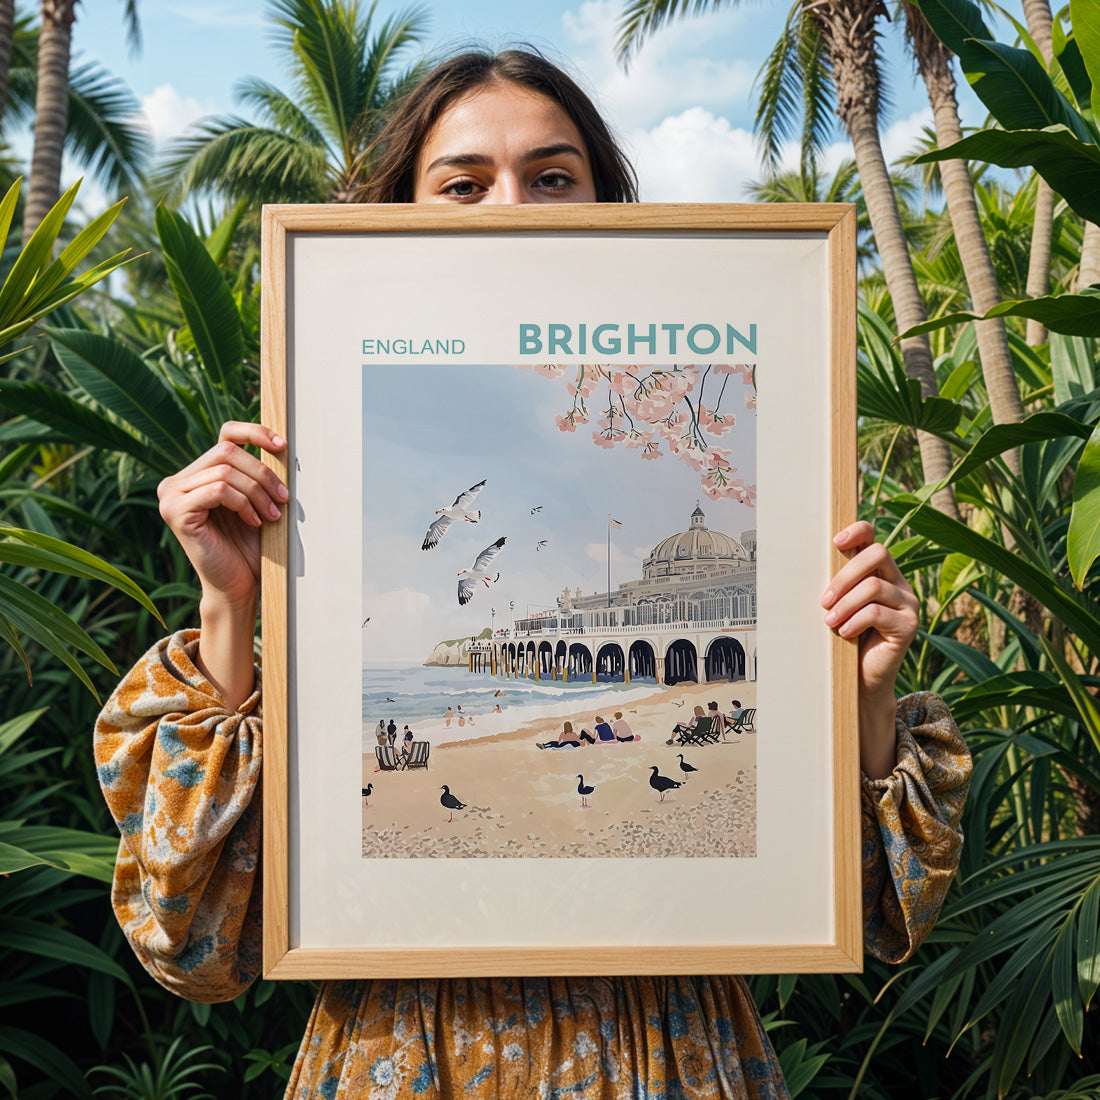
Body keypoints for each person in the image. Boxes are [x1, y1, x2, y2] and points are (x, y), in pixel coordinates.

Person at [95, 48, 970, 1099]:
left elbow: (883, 917)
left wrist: (858, 695)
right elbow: (192, 947)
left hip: (666, 1052)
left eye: (551, 176)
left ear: (609, 207)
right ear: (393, 216)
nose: (510, 208)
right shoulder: (314, 584)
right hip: (408, 1057)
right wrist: (232, 603)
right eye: (462, 183)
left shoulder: (775, 492)